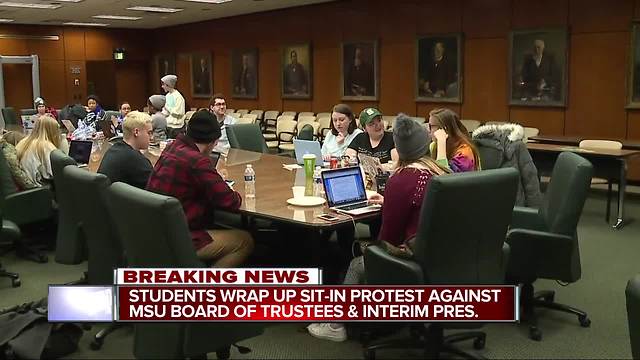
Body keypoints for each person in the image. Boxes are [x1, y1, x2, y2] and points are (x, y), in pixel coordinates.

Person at [308, 114, 450, 342]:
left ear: (400, 149)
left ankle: (335, 325)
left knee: (357, 263)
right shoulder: (442, 171)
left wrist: (370, 249)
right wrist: (389, 202)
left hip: (416, 257)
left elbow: (388, 237)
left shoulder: (402, 179)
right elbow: (424, 204)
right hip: (447, 253)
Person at [146, 110, 254, 268]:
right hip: (178, 237)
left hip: (155, 229)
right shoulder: (197, 161)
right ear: (214, 141)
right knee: (244, 241)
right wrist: (218, 182)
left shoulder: (172, 147)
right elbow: (231, 201)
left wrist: (211, 180)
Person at [472, 123, 542, 207]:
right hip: (514, 209)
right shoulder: (518, 146)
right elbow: (530, 181)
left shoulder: (472, 147)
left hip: (482, 207)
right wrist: (534, 212)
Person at [97, 111, 154, 189]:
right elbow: (157, 190)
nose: (152, 137)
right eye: (149, 133)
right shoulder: (137, 160)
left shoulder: (113, 149)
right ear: (136, 132)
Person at [15, 115, 64, 186]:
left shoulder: (24, 141)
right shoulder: (46, 146)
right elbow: (54, 173)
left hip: (25, 186)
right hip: (39, 189)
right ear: (52, 131)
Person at [428, 108, 480, 172]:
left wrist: (441, 143)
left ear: (444, 129)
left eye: (432, 126)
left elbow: (444, 176)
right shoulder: (434, 145)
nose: (429, 131)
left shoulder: (465, 152)